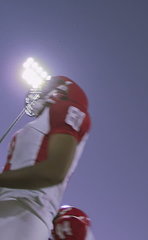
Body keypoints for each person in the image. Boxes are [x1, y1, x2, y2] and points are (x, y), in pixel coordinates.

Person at [0, 76, 91, 239]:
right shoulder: (40, 123)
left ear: (61, 91)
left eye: (46, 87)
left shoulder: (65, 108)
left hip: (25, 212)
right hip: (10, 207)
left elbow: (53, 172)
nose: (40, 91)